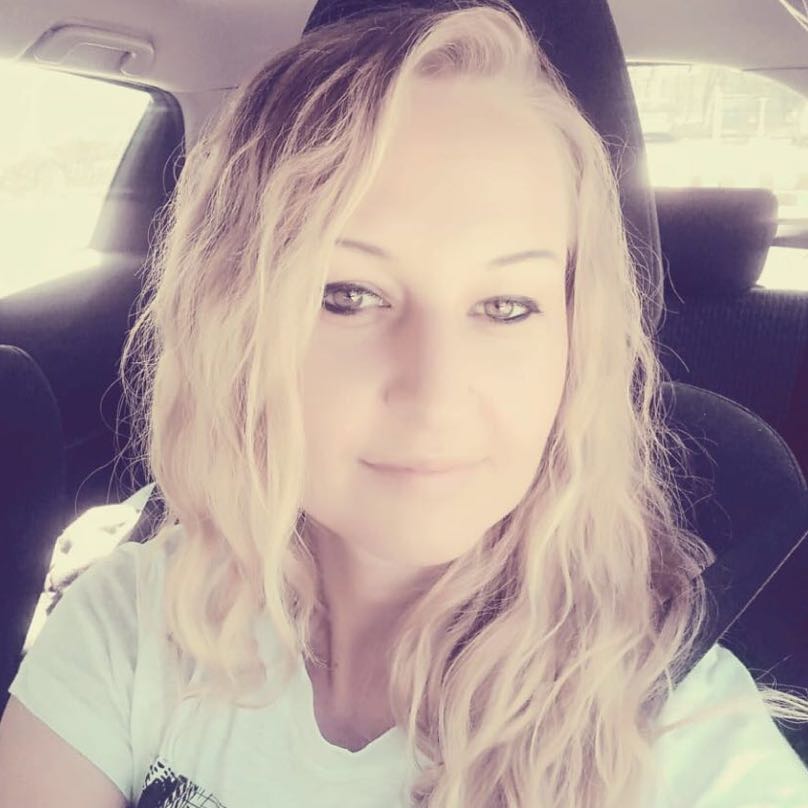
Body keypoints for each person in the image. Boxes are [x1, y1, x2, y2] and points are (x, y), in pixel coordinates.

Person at [2, 2, 808, 807]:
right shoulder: (138, 620)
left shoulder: (677, 737)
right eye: (348, 294)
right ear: (234, 327)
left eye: (506, 306)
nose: (434, 391)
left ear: (576, 347)